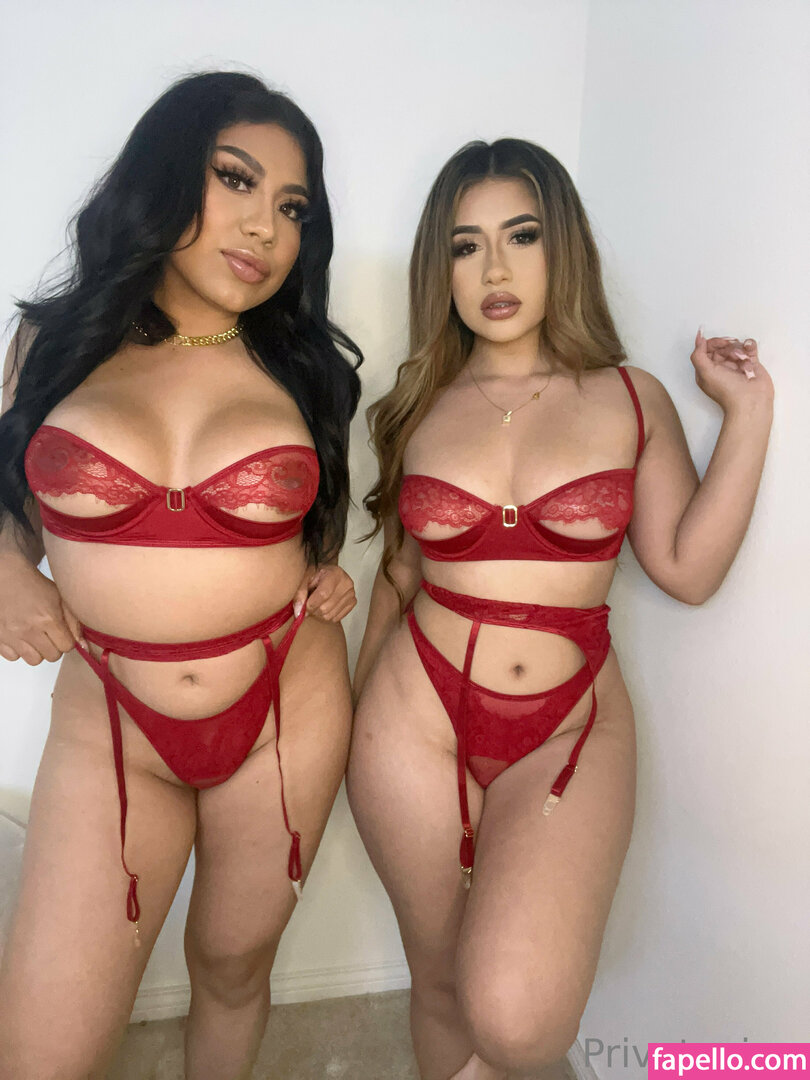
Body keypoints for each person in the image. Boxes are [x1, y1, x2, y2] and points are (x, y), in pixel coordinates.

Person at [348, 138, 773, 1080]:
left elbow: (686, 569)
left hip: (569, 726)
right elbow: (401, 576)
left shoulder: (630, 398)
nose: (495, 270)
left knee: (519, 1019)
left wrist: (747, 417)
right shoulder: (418, 401)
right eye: (465, 246)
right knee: (437, 982)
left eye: (522, 235)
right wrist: (350, 719)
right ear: (441, 269)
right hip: (410, 719)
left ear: (562, 246)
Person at [0, 71, 361, 1079]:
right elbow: (6, 499)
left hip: (286, 706)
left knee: (233, 968)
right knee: (40, 1050)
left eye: (292, 207)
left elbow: (312, 522)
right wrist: (6, 571)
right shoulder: (53, 342)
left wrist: (331, 572)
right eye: (235, 180)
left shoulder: (304, 365)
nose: (265, 227)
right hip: (110, 718)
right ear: (164, 176)